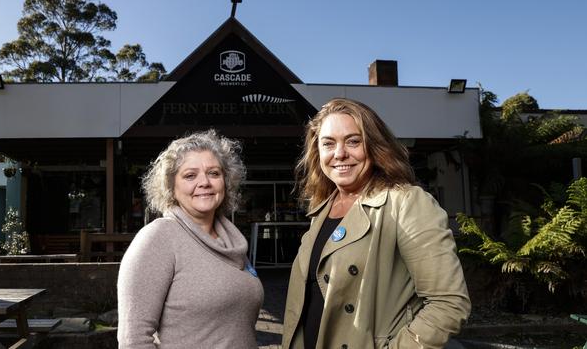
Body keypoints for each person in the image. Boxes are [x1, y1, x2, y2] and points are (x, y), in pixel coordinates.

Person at [282, 98, 471, 349]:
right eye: (328, 143)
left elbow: (448, 303)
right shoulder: (321, 211)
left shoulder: (406, 202)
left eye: (353, 141)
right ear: (317, 152)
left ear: (373, 146)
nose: (340, 154)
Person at [118, 129, 263, 349]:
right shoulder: (157, 239)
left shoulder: (232, 241)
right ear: (171, 187)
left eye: (214, 173)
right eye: (190, 175)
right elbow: (134, 340)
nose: (204, 182)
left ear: (226, 181)